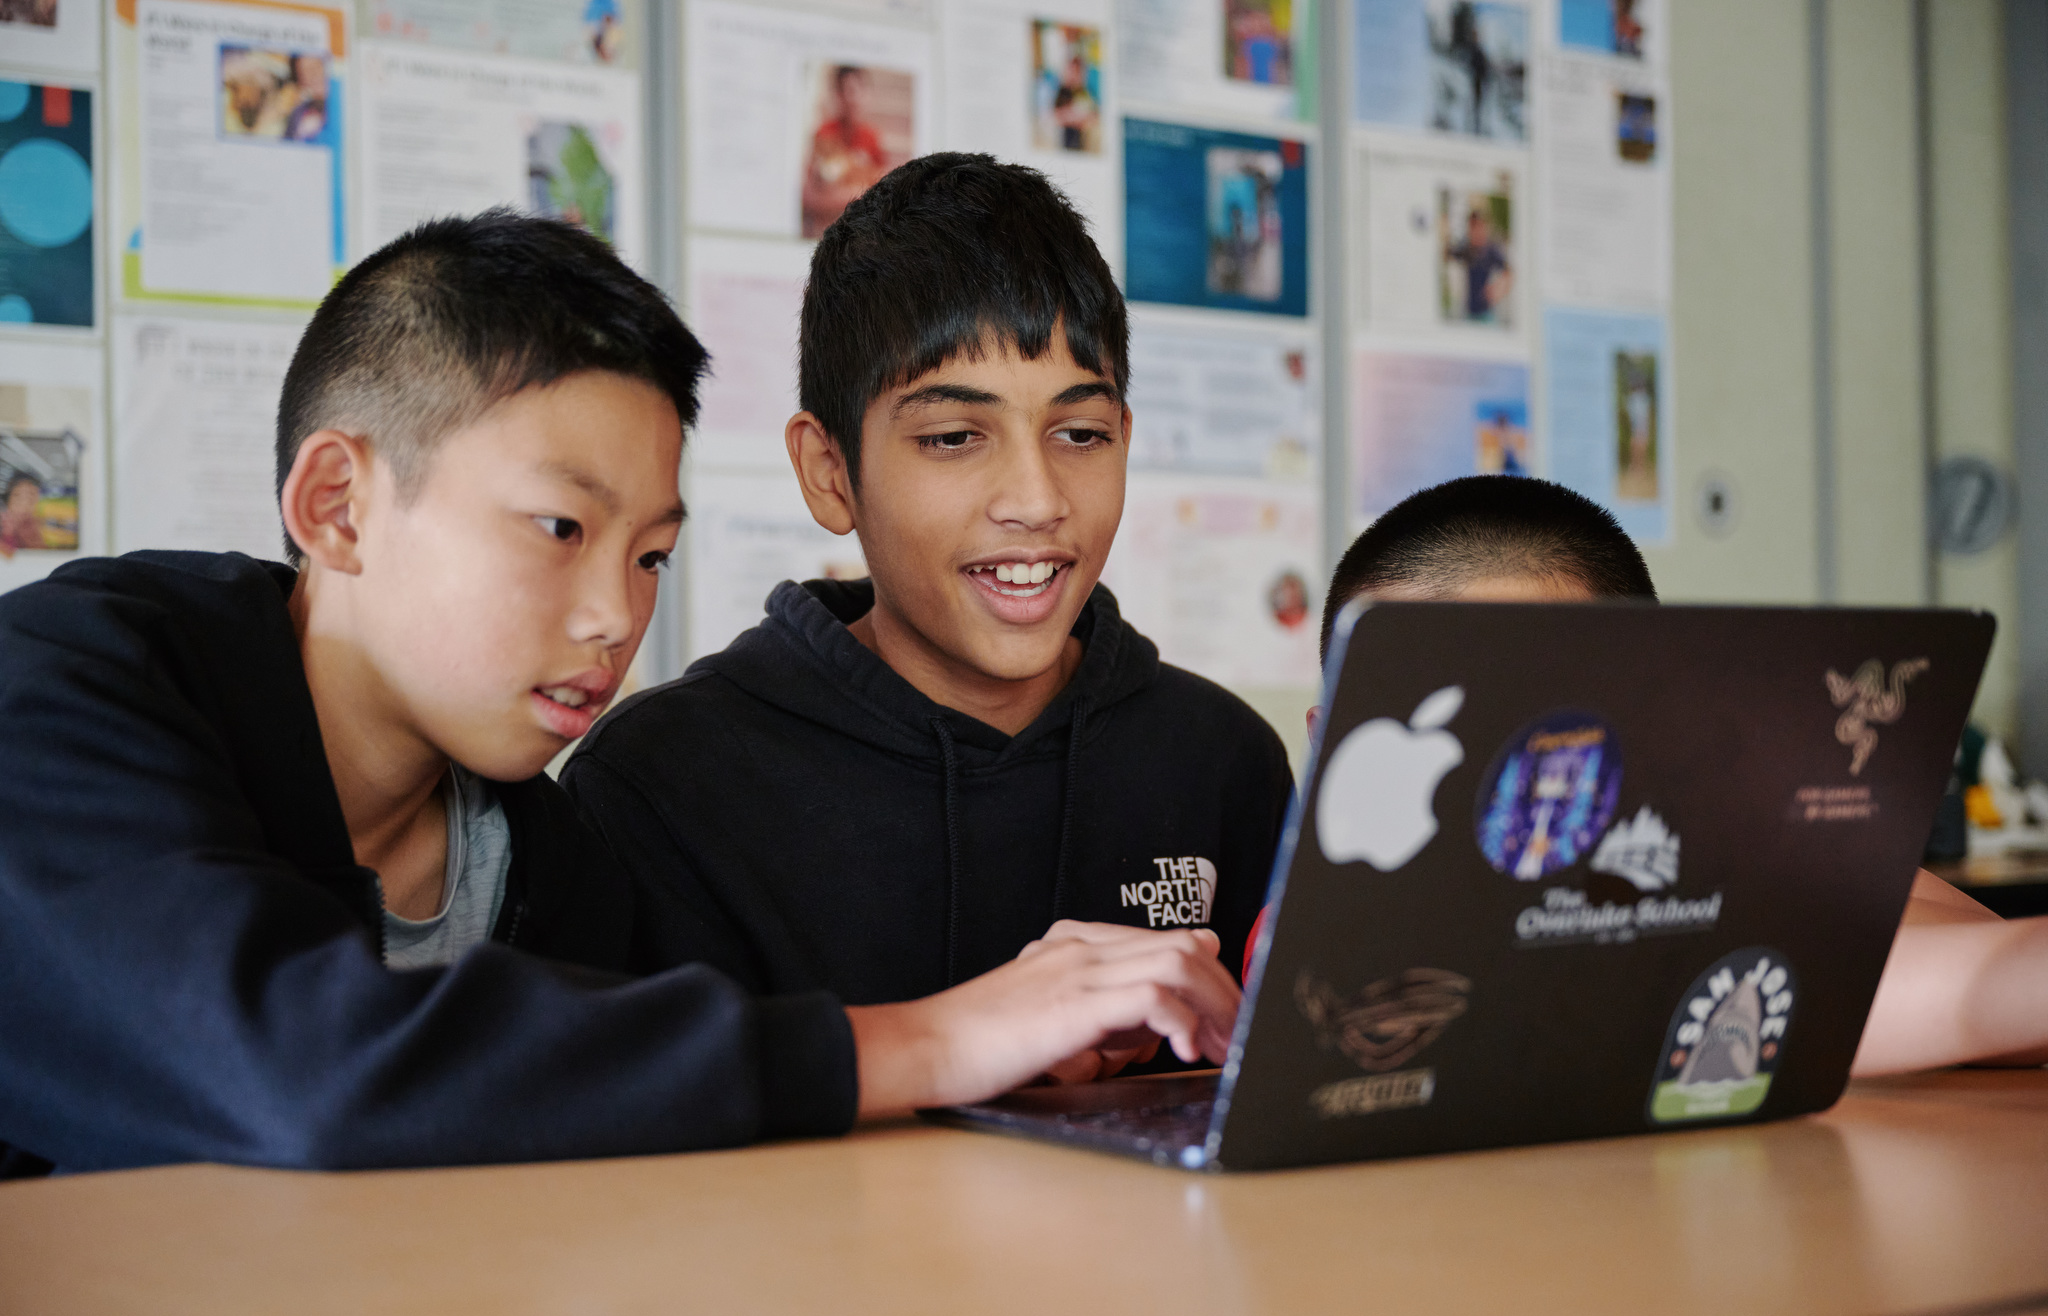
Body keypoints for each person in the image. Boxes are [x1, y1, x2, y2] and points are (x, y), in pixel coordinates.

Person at [0, 210, 1241, 1177]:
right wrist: (936, 1040)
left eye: (649, 554)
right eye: (557, 526)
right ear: (337, 504)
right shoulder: (68, 688)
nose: (614, 615)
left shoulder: (547, 850)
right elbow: (298, 1071)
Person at [564, 155, 1293, 1082]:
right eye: (953, 438)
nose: (1036, 499)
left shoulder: (1223, 761)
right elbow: (626, 1143)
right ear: (830, 472)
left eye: (1081, 434)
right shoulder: (662, 786)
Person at [1308, 474, 2048, 1076]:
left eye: (1537, 722)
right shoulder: (1316, 944)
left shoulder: (1682, 863)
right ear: (1331, 744)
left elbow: (1963, 948)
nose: (1490, 779)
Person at [800, 66, 890, 240]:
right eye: (846, 90)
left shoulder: (872, 137)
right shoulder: (824, 133)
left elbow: (882, 189)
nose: (852, 98)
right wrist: (859, 192)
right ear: (838, 95)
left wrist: (840, 195)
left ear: (866, 93)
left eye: (857, 90)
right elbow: (810, 196)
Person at [1446, 207, 1510, 323]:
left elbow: (1509, 272)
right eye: (1472, 228)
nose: (1475, 232)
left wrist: (1497, 290)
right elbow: (1449, 253)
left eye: (1478, 227)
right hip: (1468, 311)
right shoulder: (1467, 248)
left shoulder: (1491, 250)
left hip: (1487, 313)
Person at [0, 472, 44, 557]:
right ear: (8, 501)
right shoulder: (3, 525)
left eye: (31, 498)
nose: (24, 504)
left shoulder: (41, 528)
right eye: (18, 497)